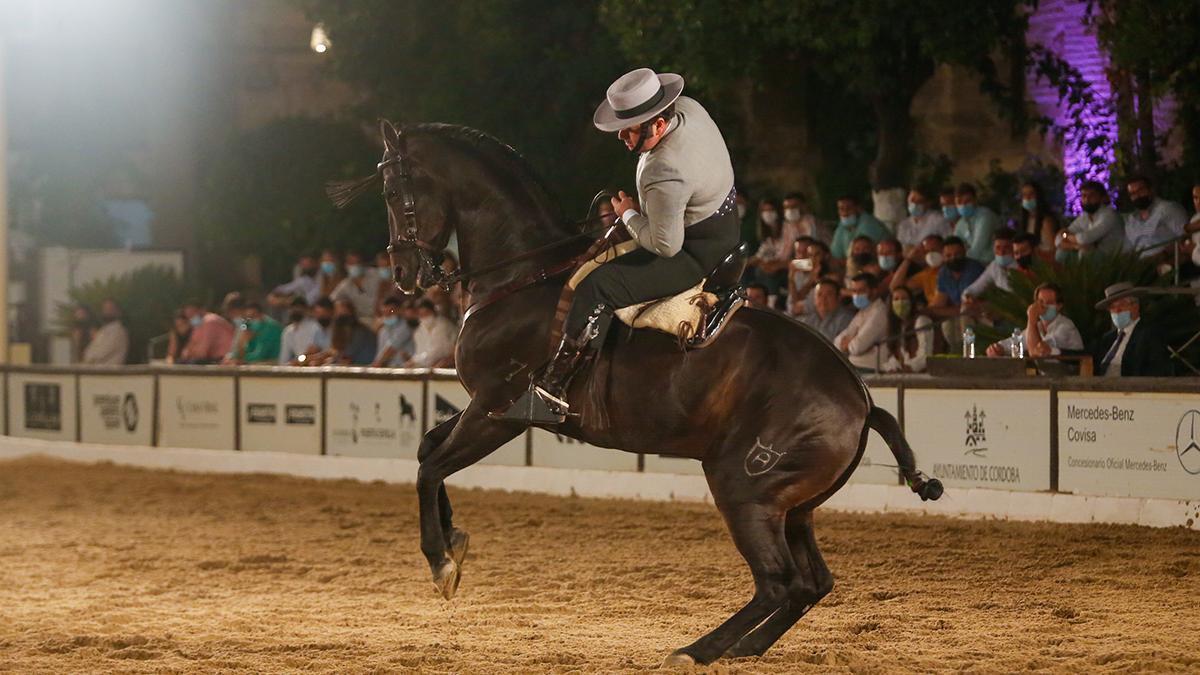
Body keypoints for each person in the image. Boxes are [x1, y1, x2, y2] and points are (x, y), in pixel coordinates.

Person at [500, 67, 739, 423]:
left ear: (658, 125)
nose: (621, 137)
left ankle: (553, 391)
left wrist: (627, 214)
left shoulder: (663, 169)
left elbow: (665, 245)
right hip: (725, 220)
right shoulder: (688, 107)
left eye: (628, 129)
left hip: (693, 252)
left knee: (597, 286)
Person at [1091, 282, 1171, 377]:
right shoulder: (1107, 338)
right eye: (1112, 307)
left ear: (1135, 306)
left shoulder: (1149, 335)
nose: (1117, 310)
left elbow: (1158, 369)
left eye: (1122, 305)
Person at [985, 282, 1082, 358]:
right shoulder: (1038, 327)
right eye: (1040, 302)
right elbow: (1016, 342)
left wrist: (1031, 319)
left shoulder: (1066, 327)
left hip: (1072, 380)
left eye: (1049, 303)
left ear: (1059, 306)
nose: (1043, 307)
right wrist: (998, 348)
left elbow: (1036, 351)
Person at [833, 273, 888, 371]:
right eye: (854, 291)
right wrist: (850, 341)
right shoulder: (863, 312)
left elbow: (856, 347)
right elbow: (837, 342)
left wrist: (850, 341)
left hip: (871, 369)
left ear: (874, 291)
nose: (857, 295)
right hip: (855, 367)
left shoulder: (880, 312)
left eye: (861, 291)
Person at [1123, 175, 1187, 258]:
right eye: (1133, 194)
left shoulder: (1168, 209)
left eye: (1141, 190)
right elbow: (1127, 250)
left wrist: (1164, 255)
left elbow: (1186, 237)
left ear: (1151, 190)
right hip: (1141, 266)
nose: (1137, 196)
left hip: (1168, 262)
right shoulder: (1131, 221)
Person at [1058, 180, 1124, 259]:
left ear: (1102, 198)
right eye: (1084, 195)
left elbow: (1084, 238)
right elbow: (1058, 240)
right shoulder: (1085, 217)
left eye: (1092, 195)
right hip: (1094, 254)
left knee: (1085, 253)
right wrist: (1076, 246)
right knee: (1061, 253)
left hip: (1112, 258)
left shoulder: (1109, 214)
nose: (1087, 199)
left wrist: (1067, 236)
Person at [880, 286, 932, 373]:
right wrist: (893, 367)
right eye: (896, 299)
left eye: (904, 299)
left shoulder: (921, 321)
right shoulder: (895, 326)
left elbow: (925, 356)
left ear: (911, 302)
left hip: (921, 376)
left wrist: (909, 367)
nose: (900, 302)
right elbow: (893, 355)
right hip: (903, 377)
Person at [747, 198, 792, 297]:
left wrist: (767, 264)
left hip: (789, 266)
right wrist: (742, 264)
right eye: (764, 211)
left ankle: (771, 300)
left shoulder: (787, 228)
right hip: (776, 266)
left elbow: (784, 256)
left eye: (771, 210)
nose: (767, 214)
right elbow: (760, 255)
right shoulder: (768, 234)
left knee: (764, 271)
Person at [829, 195, 888, 261]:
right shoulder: (842, 226)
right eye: (841, 209)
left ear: (858, 208)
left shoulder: (868, 224)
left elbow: (861, 256)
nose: (845, 213)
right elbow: (835, 255)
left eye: (849, 208)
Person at [890, 234, 944, 306]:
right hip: (931, 312)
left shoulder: (951, 270)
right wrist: (908, 259)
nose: (930, 254)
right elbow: (895, 287)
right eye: (927, 252)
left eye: (934, 250)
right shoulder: (926, 274)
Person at [962, 229, 1017, 300]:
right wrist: (967, 295)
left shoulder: (1021, 265)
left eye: (1006, 247)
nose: (1001, 252)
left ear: (1014, 248)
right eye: (998, 248)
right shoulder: (994, 265)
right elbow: (976, 287)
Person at [953, 183, 1000, 263]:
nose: (963, 205)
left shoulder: (985, 216)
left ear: (975, 200)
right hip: (972, 263)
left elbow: (978, 247)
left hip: (990, 263)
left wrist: (960, 258)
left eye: (967, 201)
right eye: (959, 202)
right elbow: (954, 246)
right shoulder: (960, 223)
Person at [895, 186, 949, 252]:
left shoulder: (937, 220)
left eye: (919, 202)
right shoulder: (903, 225)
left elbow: (946, 243)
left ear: (928, 203)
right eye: (912, 200)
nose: (914, 204)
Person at [331, 251, 380, 323]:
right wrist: (340, 304)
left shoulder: (376, 274)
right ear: (346, 266)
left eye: (357, 263)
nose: (355, 266)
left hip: (382, 317)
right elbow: (332, 299)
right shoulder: (346, 284)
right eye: (351, 263)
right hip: (361, 320)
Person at [179, 300, 235, 364]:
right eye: (188, 316)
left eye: (192, 314)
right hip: (215, 359)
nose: (191, 318)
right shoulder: (198, 325)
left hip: (225, 359)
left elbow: (203, 352)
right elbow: (186, 351)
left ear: (201, 310)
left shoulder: (210, 321)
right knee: (182, 362)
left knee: (192, 363)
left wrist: (192, 352)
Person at [407, 298, 458, 368]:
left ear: (434, 312)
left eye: (426, 313)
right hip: (428, 365)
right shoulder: (418, 331)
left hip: (448, 363)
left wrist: (416, 361)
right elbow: (419, 351)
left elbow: (438, 351)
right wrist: (413, 361)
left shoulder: (443, 324)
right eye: (421, 314)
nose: (424, 316)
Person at [81, 299, 129, 365]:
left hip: (108, 372)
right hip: (95, 370)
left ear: (118, 312)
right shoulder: (103, 330)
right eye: (105, 309)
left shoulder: (119, 331)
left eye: (110, 309)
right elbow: (89, 351)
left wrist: (89, 357)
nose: (107, 311)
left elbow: (101, 353)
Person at [1016, 181, 1060, 251]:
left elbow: (1054, 249)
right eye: (1024, 194)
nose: (1027, 198)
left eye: (1031, 194)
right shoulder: (1024, 220)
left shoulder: (1046, 221)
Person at [373, 296, 416, 367]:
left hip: (405, 368)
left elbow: (391, 348)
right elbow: (379, 355)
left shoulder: (406, 326)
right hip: (388, 369)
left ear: (399, 310)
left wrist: (375, 366)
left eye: (391, 311)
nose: (387, 315)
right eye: (384, 312)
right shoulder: (383, 331)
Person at [279, 298, 323, 365]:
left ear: (306, 310)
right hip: (296, 367)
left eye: (299, 308)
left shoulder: (315, 327)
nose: (296, 310)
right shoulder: (287, 332)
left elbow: (316, 352)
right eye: (293, 308)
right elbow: (284, 359)